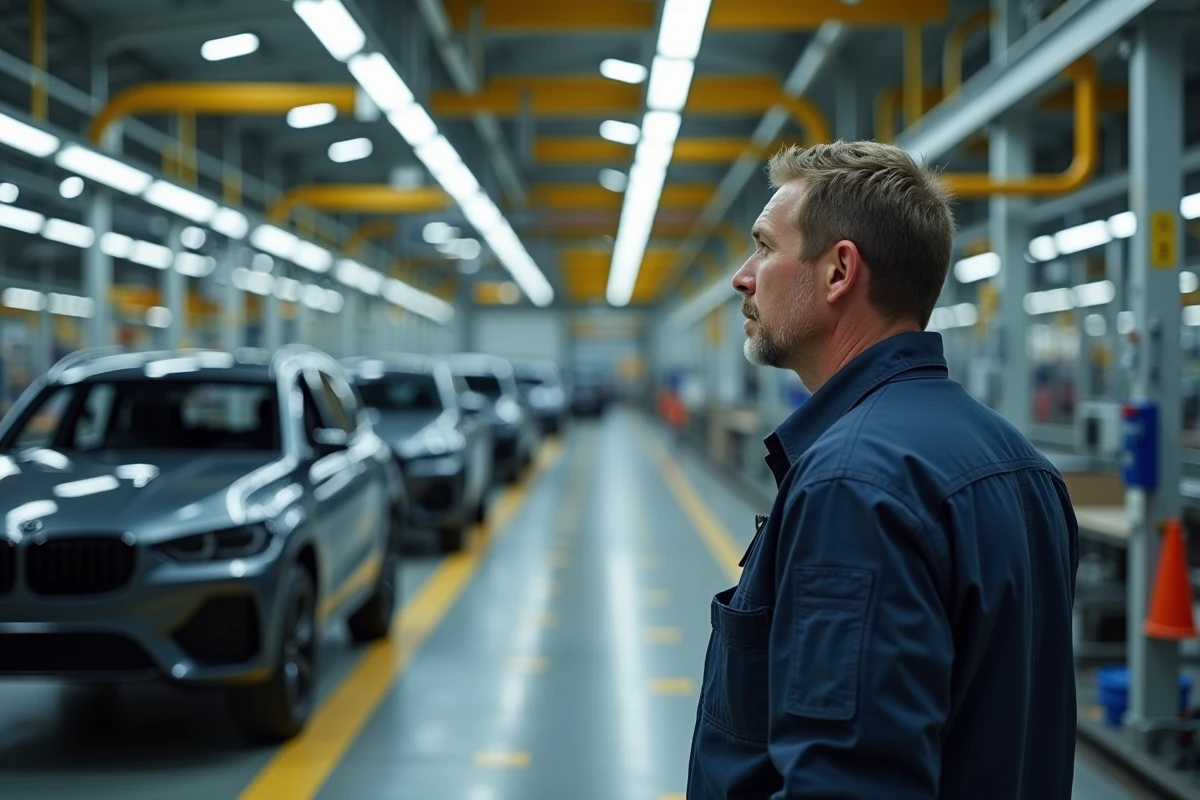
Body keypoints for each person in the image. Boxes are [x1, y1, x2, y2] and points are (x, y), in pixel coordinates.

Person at [686, 141, 1079, 799]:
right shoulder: (1024, 465)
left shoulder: (852, 485)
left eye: (764, 248)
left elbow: (847, 783)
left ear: (840, 271)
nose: (742, 277)